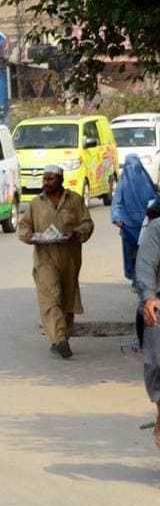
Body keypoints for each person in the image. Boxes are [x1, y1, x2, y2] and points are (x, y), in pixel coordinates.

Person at [18, 164, 95, 358]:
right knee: (50, 298)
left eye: (50, 179)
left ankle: (63, 338)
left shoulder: (75, 200)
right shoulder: (36, 203)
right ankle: (59, 338)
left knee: (66, 299)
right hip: (45, 257)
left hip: (69, 257)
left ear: (60, 180)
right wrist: (28, 235)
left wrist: (75, 233)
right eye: (44, 179)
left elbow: (87, 223)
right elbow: (24, 225)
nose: (46, 182)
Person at [134, 207, 160, 447]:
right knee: (157, 364)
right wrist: (149, 297)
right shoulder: (157, 228)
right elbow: (145, 266)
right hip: (159, 303)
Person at [112, 153, 158, 284]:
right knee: (132, 254)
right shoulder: (123, 182)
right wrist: (117, 218)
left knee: (148, 253)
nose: (132, 169)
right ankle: (136, 278)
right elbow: (117, 202)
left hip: (147, 224)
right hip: (128, 225)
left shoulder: (146, 181)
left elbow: (155, 201)